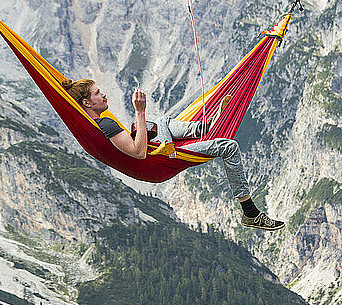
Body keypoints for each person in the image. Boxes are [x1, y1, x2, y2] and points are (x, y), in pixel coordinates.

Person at [62, 78, 285, 231]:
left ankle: (207, 125)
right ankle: (250, 211)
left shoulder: (96, 125)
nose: (103, 94)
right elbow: (138, 153)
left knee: (161, 124)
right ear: (87, 102)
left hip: (156, 154)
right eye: (98, 93)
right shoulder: (106, 124)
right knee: (229, 147)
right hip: (158, 161)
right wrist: (140, 111)